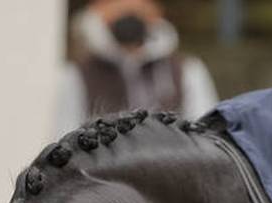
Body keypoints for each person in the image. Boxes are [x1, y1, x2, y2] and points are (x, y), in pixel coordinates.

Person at [56, 0, 219, 135]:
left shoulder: (186, 70)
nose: (128, 7)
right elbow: (65, 134)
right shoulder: (78, 75)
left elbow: (203, 132)